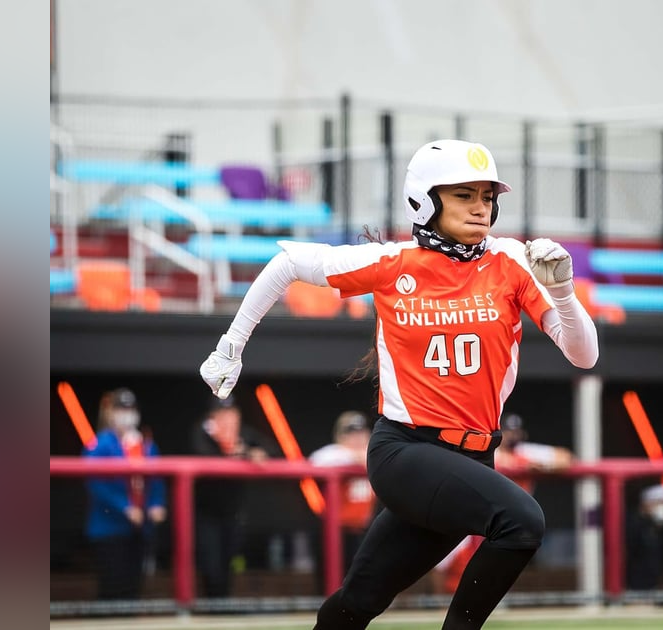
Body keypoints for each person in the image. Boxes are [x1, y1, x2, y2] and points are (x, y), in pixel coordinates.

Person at [200, 139, 598, 629]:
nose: (481, 208)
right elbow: (286, 264)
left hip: (473, 457)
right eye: (464, 195)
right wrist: (230, 346)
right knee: (522, 521)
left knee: (357, 602)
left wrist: (561, 291)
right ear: (426, 200)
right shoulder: (395, 262)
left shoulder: (512, 262)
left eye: (487, 197)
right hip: (407, 451)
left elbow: (584, 354)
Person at [434, 413, 574, 594]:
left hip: (511, 520)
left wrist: (540, 466)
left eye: (515, 432)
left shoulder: (526, 452)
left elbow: (566, 457)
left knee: (504, 563)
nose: (512, 436)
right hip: (477, 518)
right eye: (508, 432)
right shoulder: (490, 449)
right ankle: (440, 604)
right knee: (444, 561)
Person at [83, 387, 167, 600]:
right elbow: (95, 483)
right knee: (112, 585)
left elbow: (156, 480)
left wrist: (156, 503)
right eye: (121, 408)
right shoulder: (99, 444)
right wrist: (124, 507)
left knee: (133, 587)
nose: (126, 413)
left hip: (140, 528)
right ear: (110, 412)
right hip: (109, 528)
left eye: (130, 408)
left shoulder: (145, 444)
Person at [189, 395, 270, 598]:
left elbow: (271, 449)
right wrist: (235, 455)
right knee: (211, 562)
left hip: (232, 511)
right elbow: (202, 455)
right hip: (205, 511)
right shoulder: (202, 431)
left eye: (232, 412)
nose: (228, 418)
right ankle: (212, 605)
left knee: (229, 559)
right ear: (212, 416)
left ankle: (224, 605)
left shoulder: (242, 433)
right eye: (222, 413)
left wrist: (252, 452)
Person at [309, 411, 378, 582]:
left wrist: (366, 457)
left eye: (361, 433)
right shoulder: (335, 454)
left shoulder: (376, 454)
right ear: (340, 436)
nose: (357, 439)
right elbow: (316, 459)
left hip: (363, 530)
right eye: (351, 433)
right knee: (335, 581)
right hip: (335, 532)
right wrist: (355, 457)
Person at [626, 483, 663, 591]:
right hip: (638, 586)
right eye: (659, 502)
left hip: (660, 584)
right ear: (647, 503)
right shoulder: (632, 523)